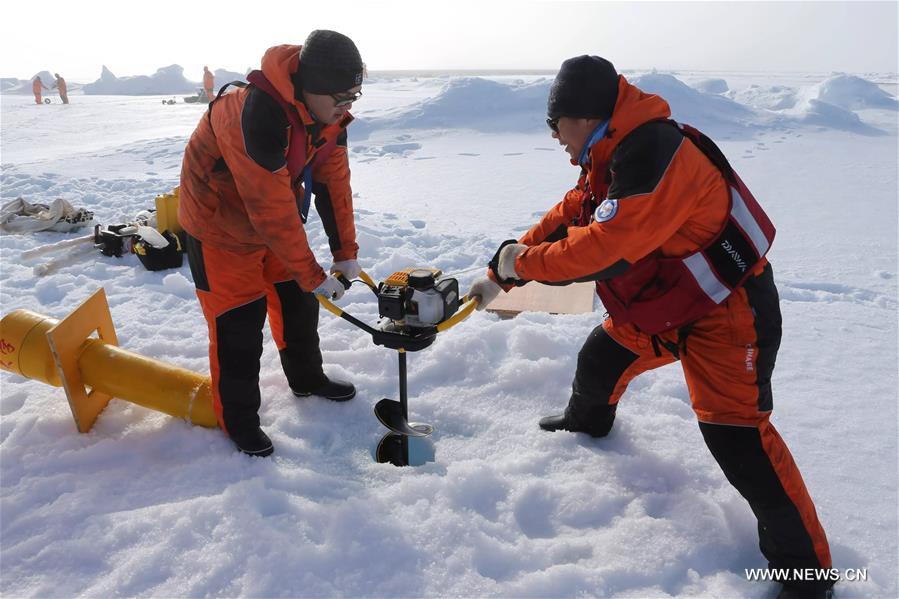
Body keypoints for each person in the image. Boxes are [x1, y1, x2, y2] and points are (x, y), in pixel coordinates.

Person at [467, 56, 833, 599]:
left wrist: (522, 265)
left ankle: (808, 577)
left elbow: (607, 248)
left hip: (726, 315)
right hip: (668, 304)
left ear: (584, 117)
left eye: (555, 124)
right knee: (600, 357)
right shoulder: (615, 152)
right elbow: (573, 213)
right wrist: (503, 270)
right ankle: (585, 429)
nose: (554, 138)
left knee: (740, 442)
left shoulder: (655, 153)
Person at [179, 30, 366, 457]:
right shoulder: (255, 115)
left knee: (299, 303)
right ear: (310, 89)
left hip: (271, 226)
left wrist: (346, 254)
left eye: (354, 96)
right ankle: (239, 421)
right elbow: (270, 210)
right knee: (238, 327)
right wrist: (313, 273)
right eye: (340, 98)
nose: (347, 107)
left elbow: (333, 183)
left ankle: (307, 379)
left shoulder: (329, 117)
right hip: (218, 230)